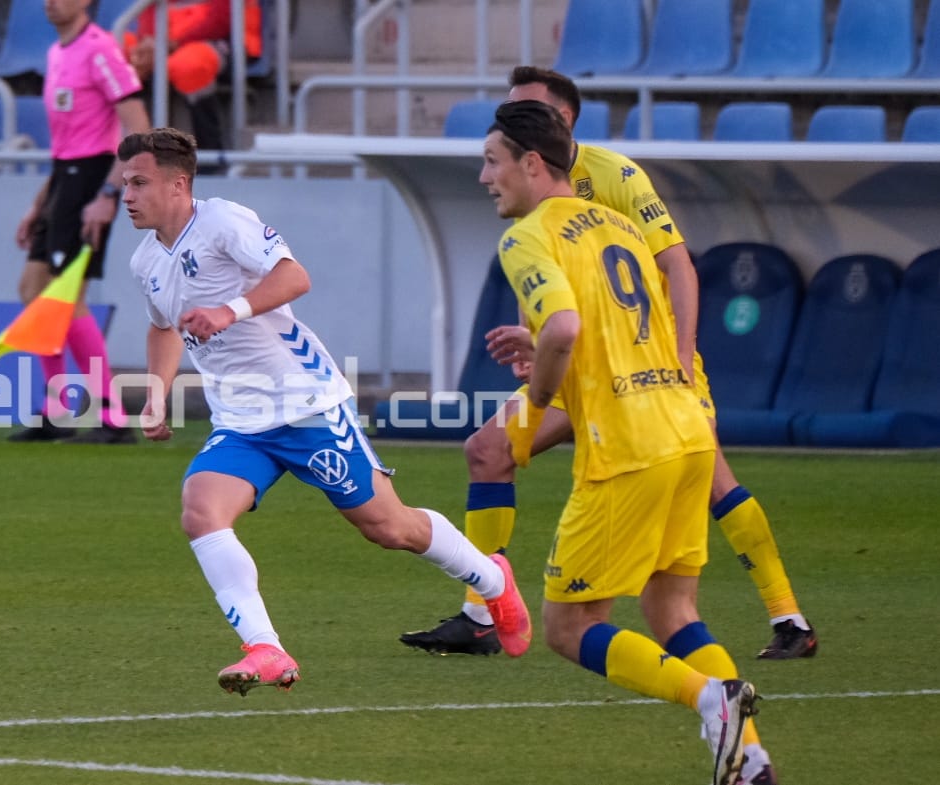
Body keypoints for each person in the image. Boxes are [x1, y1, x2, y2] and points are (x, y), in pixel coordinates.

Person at [401, 65, 817, 661]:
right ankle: (484, 612)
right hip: (580, 365)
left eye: (525, 111)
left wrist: (679, 358)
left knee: (714, 483)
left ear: (560, 124)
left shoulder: (614, 175)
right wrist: (535, 337)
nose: (509, 124)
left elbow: (676, 265)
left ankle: (788, 617)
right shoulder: (532, 200)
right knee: (488, 451)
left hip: (647, 366)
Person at [117, 126, 532, 695]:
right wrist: (159, 392)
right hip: (241, 421)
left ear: (178, 184)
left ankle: (491, 578)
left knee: (389, 528)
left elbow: (295, 276)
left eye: (139, 182)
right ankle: (266, 649)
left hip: (306, 402)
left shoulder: (223, 221)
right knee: (201, 511)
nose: (127, 195)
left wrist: (230, 311)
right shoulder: (146, 260)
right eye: (124, 184)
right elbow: (164, 327)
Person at [479, 100, 776, 785]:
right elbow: (612, 321)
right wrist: (546, 343)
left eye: (491, 161)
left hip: (627, 448)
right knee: (672, 609)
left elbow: (562, 329)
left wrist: (536, 399)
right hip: (683, 429)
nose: (483, 177)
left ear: (531, 164)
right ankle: (749, 759)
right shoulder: (612, 221)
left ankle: (710, 698)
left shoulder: (527, 236)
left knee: (565, 625)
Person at [7, 0, 153, 445]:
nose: (52, 2)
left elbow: (137, 129)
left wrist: (110, 193)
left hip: (92, 177)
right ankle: (57, 410)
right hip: (64, 179)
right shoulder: (57, 52)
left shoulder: (101, 49)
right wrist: (40, 203)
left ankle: (111, 416)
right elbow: (64, 141)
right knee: (33, 290)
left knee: (67, 298)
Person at [121, 0, 263, 154]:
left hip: (220, 38)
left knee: (189, 66)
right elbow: (150, 10)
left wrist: (166, 44)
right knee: (114, 52)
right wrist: (149, 44)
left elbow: (219, 19)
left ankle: (211, 154)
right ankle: (117, 150)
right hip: (163, 41)